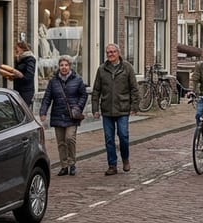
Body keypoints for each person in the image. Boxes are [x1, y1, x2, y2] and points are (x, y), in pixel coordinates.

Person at [91, 43, 137, 175]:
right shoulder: (101, 69)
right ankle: (112, 165)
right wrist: (95, 108)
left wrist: (134, 106)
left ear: (118, 53)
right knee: (109, 138)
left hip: (122, 108)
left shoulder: (127, 68)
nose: (110, 54)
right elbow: (96, 91)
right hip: (107, 109)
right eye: (108, 52)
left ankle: (125, 159)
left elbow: (134, 88)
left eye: (113, 52)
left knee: (123, 136)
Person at [40, 55, 88, 176]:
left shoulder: (77, 79)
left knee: (69, 138)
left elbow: (84, 95)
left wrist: (78, 107)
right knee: (61, 142)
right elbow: (47, 97)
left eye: (66, 65)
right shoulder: (53, 81)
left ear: (70, 66)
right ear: (59, 67)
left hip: (72, 115)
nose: (64, 67)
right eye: (62, 65)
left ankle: (72, 163)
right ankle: (64, 165)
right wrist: (43, 111)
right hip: (58, 114)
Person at [10, 41, 38, 108]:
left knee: (24, 109)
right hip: (18, 88)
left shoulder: (30, 59)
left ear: (23, 48)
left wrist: (20, 76)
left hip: (26, 91)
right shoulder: (19, 59)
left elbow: (29, 76)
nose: (15, 50)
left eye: (17, 48)